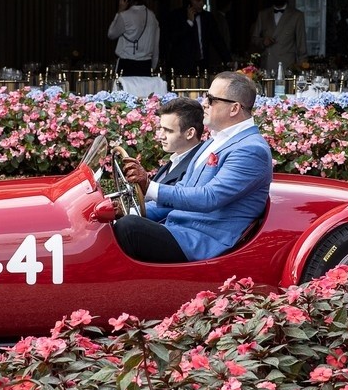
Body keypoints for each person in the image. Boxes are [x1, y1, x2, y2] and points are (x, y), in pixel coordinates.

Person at [114, 71, 271, 262]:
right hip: (179, 231)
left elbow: (210, 197)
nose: (203, 103)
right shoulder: (211, 142)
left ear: (234, 108)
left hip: (203, 242)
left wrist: (148, 186)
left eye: (212, 99)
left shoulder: (251, 149)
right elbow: (180, 195)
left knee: (129, 227)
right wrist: (129, 211)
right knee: (118, 222)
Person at [161, 0, 228, 75]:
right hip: (182, 66)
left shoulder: (207, 17)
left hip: (202, 65)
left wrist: (228, 60)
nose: (201, 4)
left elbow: (217, 39)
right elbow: (173, 39)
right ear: (189, 0)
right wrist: (189, 22)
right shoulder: (176, 16)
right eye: (197, 0)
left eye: (202, 0)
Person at [250, 0, 307, 76]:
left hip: (287, 67)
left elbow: (302, 46)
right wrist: (263, 42)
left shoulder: (297, 15)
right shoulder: (263, 14)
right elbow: (254, 38)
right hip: (266, 67)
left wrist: (302, 70)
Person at [108, 0, 160, 76]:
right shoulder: (152, 16)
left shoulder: (125, 16)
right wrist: (153, 67)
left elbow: (111, 34)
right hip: (145, 65)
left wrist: (119, 11)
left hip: (126, 65)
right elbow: (155, 45)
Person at [152, 97, 205, 185]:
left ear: (190, 133)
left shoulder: (197, 166)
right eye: (160, 128)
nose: (161, 136)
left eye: (168, 130)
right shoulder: (175, 159)